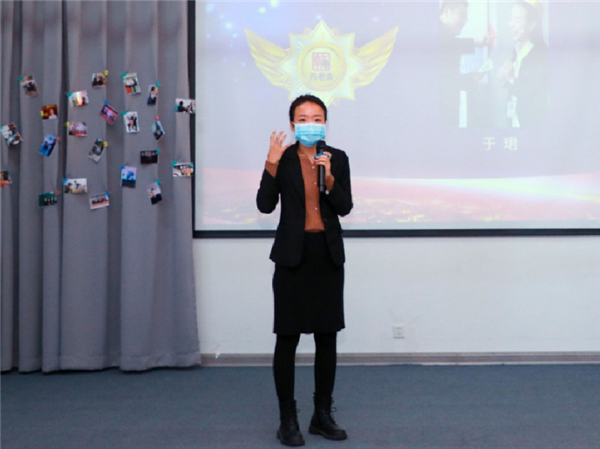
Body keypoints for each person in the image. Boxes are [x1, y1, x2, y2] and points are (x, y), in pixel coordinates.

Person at [256, 94, 353, 447]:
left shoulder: (337, 158)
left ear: (325, 122)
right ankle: (288, 419)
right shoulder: (282, 160)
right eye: (303, 118)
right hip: (292, 257)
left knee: (327, 338)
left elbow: (345, 207)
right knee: (288, 338)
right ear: (292, 124)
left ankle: (321, 415)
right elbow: (265, 205)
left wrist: (330, 181)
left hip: (326, 256)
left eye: (317, 118)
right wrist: (270, 162)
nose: (310, 124)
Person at [439, 1, 491, 127]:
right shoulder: (436, 36)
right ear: (447, 11)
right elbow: (446, 45)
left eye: (465, 18)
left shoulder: (448, 39)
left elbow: (448, 80)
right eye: (462, 16)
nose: (464, 22)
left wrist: (471, 77)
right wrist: (476, 42)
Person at [497, 0, 548, 127]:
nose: (511, 25)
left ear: (531, 25)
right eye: (511, 19)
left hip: (530, 125)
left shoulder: (541, 53)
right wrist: (504, 78)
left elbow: (534, 92)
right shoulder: (517, 48)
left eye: (517, 21)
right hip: (515, 120)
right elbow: (516, 84)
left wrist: (511, 78)